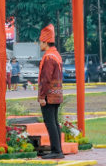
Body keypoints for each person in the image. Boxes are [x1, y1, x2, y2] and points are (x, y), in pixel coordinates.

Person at [38, 24, 64, 160]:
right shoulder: (56, 55)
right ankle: (58, 149)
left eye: (40, 42)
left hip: (49, 95)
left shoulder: (48, 57)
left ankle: (56, 150)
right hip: (57, 94)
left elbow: (46, 79)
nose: (39, 44)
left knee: (50, 122)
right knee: (54, 121)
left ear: (45, 42)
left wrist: (42, 96)